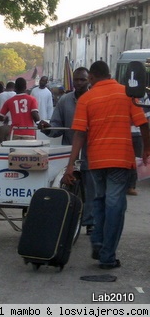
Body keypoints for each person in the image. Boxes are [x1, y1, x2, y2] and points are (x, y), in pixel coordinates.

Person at [62, 61, 150, 270]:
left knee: (99, 200)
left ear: (92, 77)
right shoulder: (126, 93)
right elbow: (143, 125)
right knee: (115, 205)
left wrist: (70, 165)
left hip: (95, 160)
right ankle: (107, 256)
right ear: (110, 75)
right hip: (120, 159)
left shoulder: (86, 99)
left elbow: (79, 134)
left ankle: (99, 242)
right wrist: (147, 149)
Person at [38, 67, 94, 234]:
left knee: (91, 189)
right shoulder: (64, 100)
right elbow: (57, 126)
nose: (78, 83)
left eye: (82, 80)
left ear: (89, 80)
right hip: (69, 153)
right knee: (68, 188)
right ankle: (68, 221)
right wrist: (47, 128)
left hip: (92, 153)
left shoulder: (95, 99)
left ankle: (91, 223)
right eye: (76, 80)